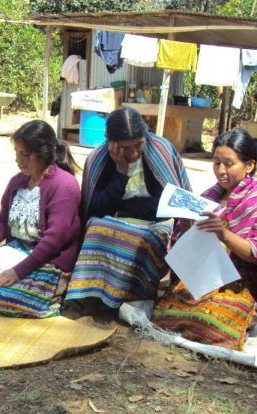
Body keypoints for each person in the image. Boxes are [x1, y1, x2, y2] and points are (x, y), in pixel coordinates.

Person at [152, 128, 257, 350]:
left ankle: (246, 314)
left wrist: (224, 234)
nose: (221, 170)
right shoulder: (209, 196)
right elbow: (188, 242)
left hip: (241, 281)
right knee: (164, 316)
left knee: (211, 325)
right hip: (205, 275)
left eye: (229, 163)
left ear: (249, 165)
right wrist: (187, 221)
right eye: (216, 162)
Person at [64, 106, 191, 312]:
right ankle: (96, 295)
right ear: (111, 143)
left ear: (146, 136)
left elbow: (171, 202)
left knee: (145, 239)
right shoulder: (98, 158)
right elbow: (94, 207)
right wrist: (121, 173)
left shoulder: (161, 150)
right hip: (114, 219)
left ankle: (137, 296)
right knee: (96, 228)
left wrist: (126, 210)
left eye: (138, 145)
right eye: (125, 148)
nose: (133, 153)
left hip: (156, 223)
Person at [0, 120, 81, 318]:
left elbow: (54, 239)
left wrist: (18, 272)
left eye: (24, 155)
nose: (18, 160)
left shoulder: (64, 185)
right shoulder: (17, 182)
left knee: (4, 295)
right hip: (17, 252)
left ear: (42, 154)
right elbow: (2, 224)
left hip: (49, 259)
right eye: (16, 153)